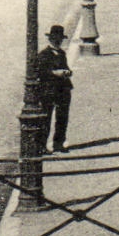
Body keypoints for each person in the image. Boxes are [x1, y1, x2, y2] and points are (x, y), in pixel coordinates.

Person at [36, 24, 75, 153]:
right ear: (51, 39)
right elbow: (41, 72)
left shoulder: (62, 53)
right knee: (46, 119)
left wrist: (67, 72)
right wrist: (54, 73)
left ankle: (59, 143)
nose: (58, 41)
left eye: (60, 39)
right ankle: (42, 146)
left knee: (62, 117)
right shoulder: (43, 55)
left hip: (63, 89)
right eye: (55, 39)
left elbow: (66, 67)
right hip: (49, 90)